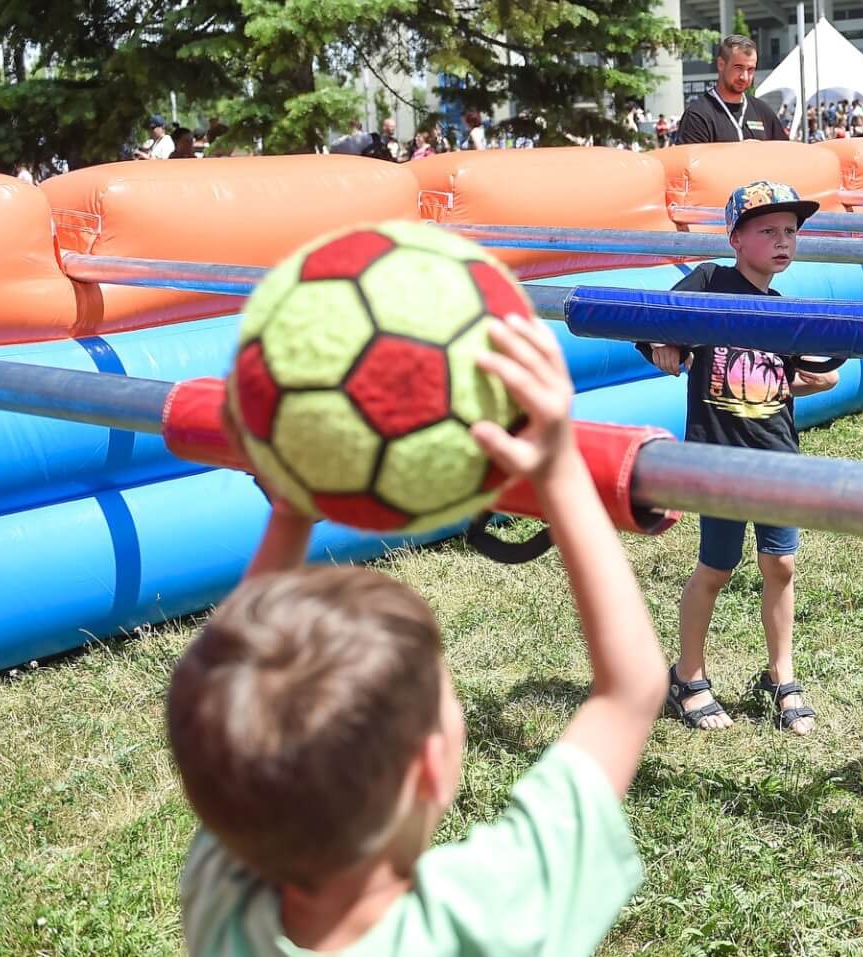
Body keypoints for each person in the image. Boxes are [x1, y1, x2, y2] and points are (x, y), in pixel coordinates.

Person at [167, 313, 667, 956]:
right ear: (431, 767)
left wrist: (293, 505)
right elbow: (630, 691)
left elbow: (629, 689)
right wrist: (563, 472)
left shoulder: (226, 909)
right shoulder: (487, 915)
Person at [641, 182, 839, 736]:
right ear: (735, 239)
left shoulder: (785, 313)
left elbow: (818, 373)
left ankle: (781, 675)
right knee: (717, 567)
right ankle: (689, 677)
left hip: (776, 455)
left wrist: (805, 379)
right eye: (768, 231)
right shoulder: (710, 282)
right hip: (719, 458)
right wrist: (665, 343)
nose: (783, 241)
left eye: (791, 232)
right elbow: (655, 318)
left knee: (781, 565)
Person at [676, 36, 787, 145]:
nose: (744, 77)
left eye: (750, 69)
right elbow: (691, 161)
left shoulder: (762, 111)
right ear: (721, 64)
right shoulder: (698, 115)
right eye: (738, 68)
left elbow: (784, 155)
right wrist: (738, 153)